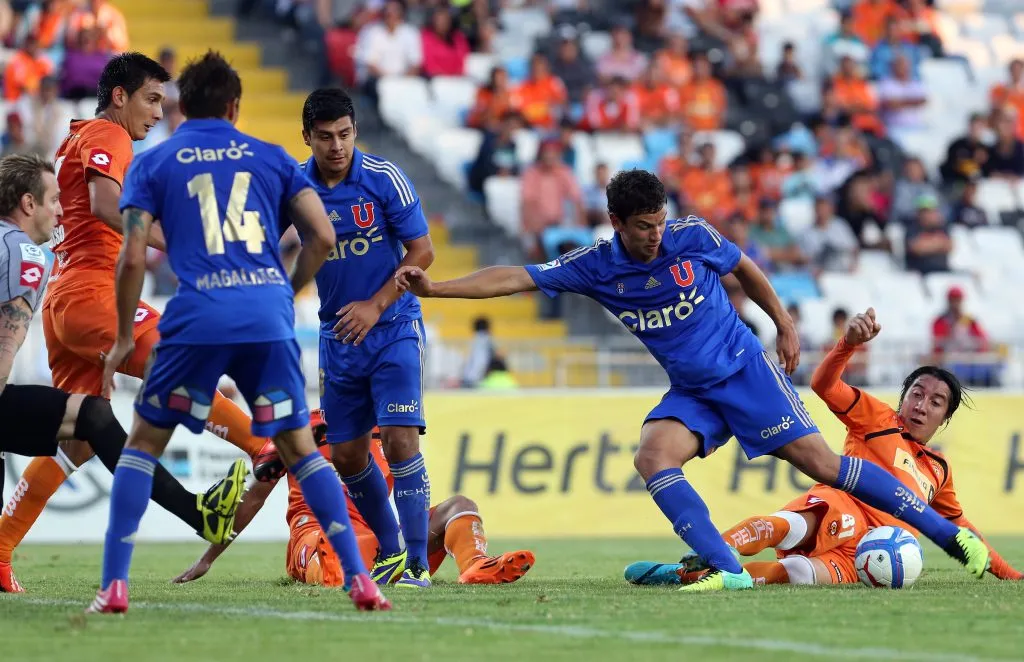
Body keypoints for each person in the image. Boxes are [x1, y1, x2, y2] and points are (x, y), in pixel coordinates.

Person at [395, 169, 991, 593]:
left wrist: (782, 320)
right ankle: (727, 569)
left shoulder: (692, 236)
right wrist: (437, 288)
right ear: (615, 223)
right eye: (643, 227)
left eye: (658, 223)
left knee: (823, 467)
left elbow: (747, 269)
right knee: (653, 458)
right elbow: (514, 277)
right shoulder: (595, 266)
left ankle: (942, 533)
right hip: (692, 390)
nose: (655, 235)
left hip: (744, 370)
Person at [86, 51, 389, 614]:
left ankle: (114, 586)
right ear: (234, 107)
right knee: (301, 451)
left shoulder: (154, 163)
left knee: (142, 448)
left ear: (182, 106)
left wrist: (126, 338)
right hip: (264, 318)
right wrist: (285, 290)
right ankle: (359, 580)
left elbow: (131, 257)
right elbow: (320, 236)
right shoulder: (273, 158)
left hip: (197, 317)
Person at [0, 52, 279, 584]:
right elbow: (109, 207)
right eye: (151, 98)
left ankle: (0, 546)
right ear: (120, 96)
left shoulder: (78, 138)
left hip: (66, 301)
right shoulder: (110, 135)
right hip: (94, 291)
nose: (158, 111)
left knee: (78, 439)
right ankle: (259, 444)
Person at [625, 309, 1022, 586]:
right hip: (840, 506)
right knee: (786, 527)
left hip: (867, 558)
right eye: (916, 394)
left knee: (791, 575)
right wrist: (847, 346)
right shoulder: (878, 418)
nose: (921, 405)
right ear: (903, 398)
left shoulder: (939, 470)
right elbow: (825, 386)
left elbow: (961, 529)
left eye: (935, 402)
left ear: (945, 418)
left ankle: (683, 573)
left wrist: (1010, 574)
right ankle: (712, 554)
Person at [0, 154, 242, 594]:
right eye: (55, 200)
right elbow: (5, 346)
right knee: (96, 412)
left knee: (88, 422)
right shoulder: (26, 256)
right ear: (28, 203)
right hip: (47, 337)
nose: (63, 212)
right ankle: (222, 490)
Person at [277, 87, 436, 589]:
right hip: (337, 336)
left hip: (393, 327)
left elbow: (423, 250)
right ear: (307, 137)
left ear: (355, 132)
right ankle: (391, 551)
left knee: (398, 439)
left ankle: (416, 562)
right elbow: (261, 240)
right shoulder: (295, 187)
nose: (337, 146)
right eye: (325, 137)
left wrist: (376, 304)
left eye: (344, 135)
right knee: (346, 455)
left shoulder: (384, 178)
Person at [173, 415, 535, 587]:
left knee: (459, 504)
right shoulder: (304, 426)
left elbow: (411, 489)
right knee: (342, 542)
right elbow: (255, 496)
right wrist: (208, 558)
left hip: (381, 540)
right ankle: (339, 569)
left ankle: (477, 565)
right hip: (313, 535)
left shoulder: (392, 431)